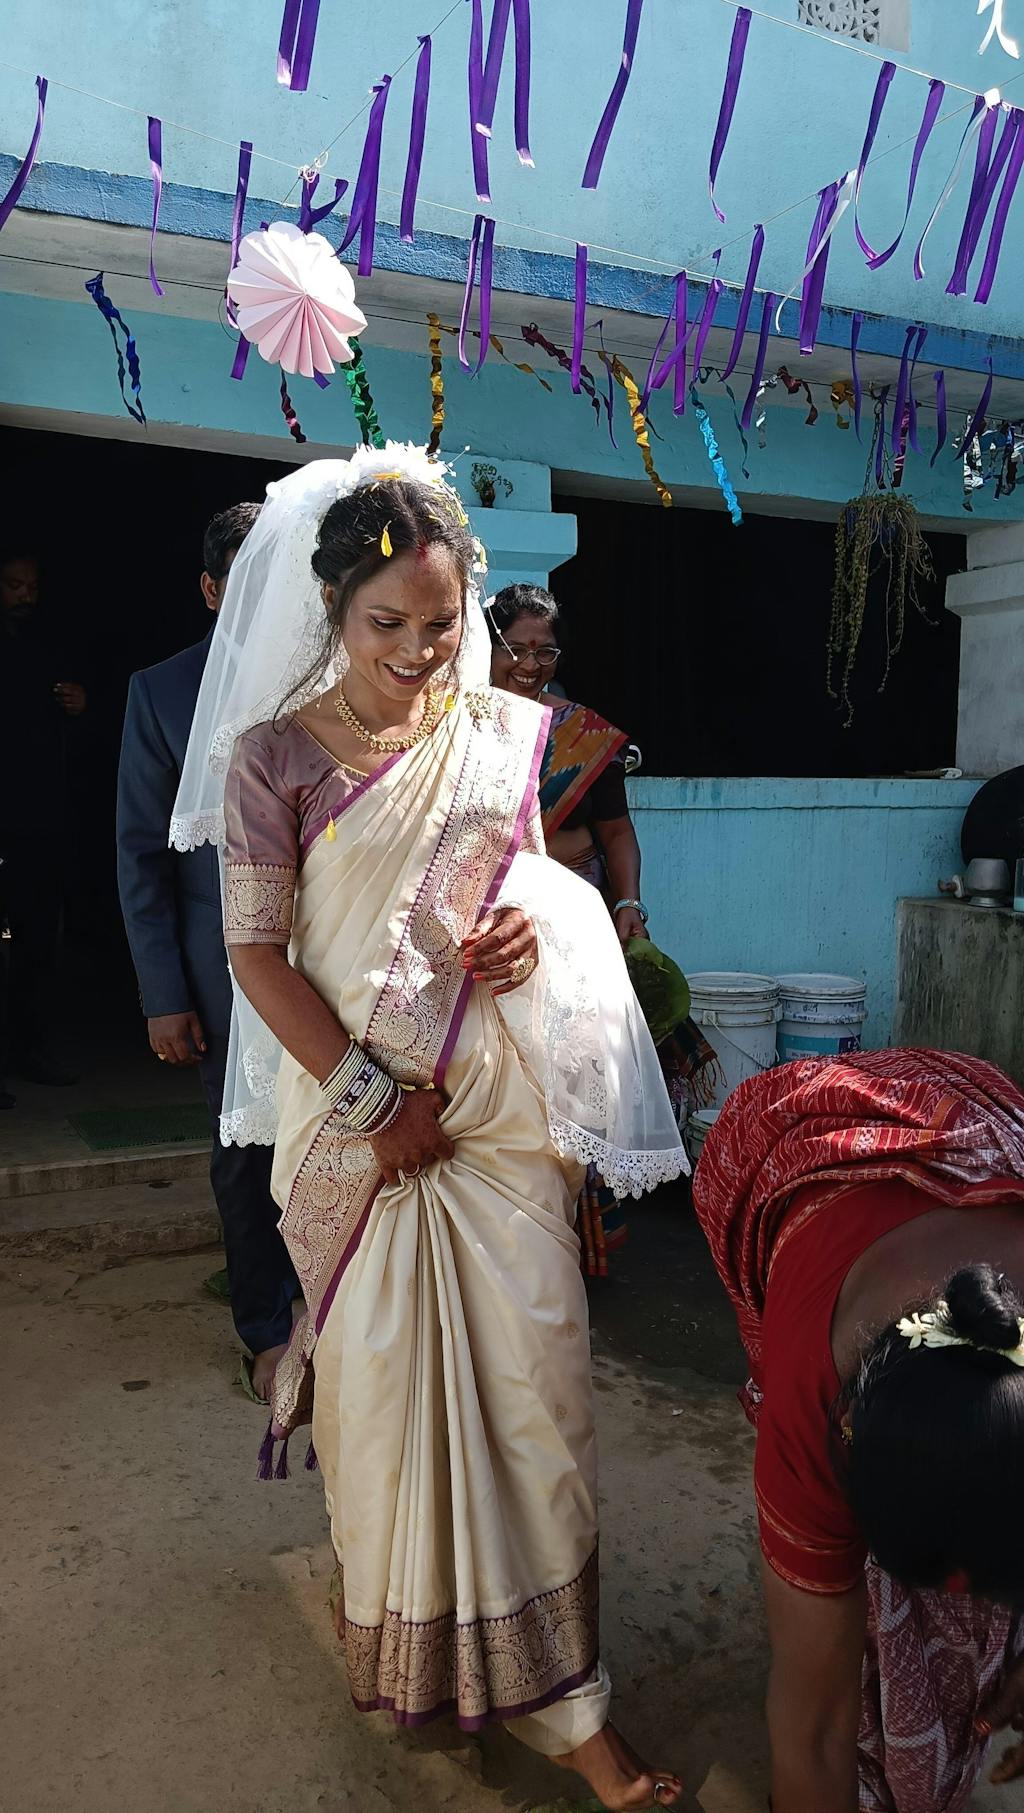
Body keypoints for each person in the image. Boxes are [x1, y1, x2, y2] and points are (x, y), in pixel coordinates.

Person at [169, 445, 687, 1810]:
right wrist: (370, 1100)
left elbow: (537, 900)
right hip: (364, 1133)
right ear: (332, 616)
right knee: (391, 1414)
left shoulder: (496, 738)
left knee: (540, 1397)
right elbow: (260, 958)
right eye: (386, 626)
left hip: (494, 1128)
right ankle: (436, 1669)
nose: (418, 651)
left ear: (474, 607)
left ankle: (568, 1700)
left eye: (441, 624)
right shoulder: (272, 759)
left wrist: (532, 930)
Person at [692, 1047, 1024, 1813]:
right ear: (846, 1430)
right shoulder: (806, 1403)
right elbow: (812, 1727)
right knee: (823, 1632)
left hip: (973, 1120)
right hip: (792, 1145)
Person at [117, 505, 298, 1401]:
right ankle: (267, 1329)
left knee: (337, 1130)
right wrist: (163, 994)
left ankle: (336, 1316)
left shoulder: (334, 675)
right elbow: (142, 854)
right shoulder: (160, 692)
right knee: (245, 1152)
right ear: (211, 588)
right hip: (218, 971)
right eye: (247, 578)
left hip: (326, 954)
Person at [488, 584, 715, 1275]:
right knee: (501, 1079)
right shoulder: (456, 725)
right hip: (487, 924)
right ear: (487, 643)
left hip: (570, 921)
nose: (530, 663)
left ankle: (574, 1245)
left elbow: (616, 834)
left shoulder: (581, 736)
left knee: (572, 1082)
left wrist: (627, 907)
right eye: (516, 647)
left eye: (545, 650)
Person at [0, 550, 88, 1095]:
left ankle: (28, 1049)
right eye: (13, 585)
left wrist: (81, 707)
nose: (24, 595)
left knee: (35, 945)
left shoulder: (48, 646)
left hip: (39, 819)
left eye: (31, 586)